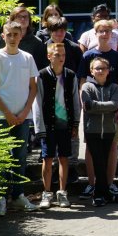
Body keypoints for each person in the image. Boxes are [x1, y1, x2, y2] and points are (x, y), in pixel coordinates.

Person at [0, 21, 40, 216]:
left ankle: (18, 196)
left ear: (21, 35)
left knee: (20, 158)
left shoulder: (27, 58)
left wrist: (24, 113)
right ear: (3, 35)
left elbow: (33, 88)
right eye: (9, 34)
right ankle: (0, 199)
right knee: (1, 159)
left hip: (22, 117)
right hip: (1, 117)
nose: (13, 38)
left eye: (16, 34)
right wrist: (8, 114)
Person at [76, 19, 118, 203]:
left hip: (112, 111)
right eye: (101, 31)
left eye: (108, 31)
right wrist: (85, 102)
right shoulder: (88, 55)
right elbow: (82, 80)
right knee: (91, 147)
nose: (105, 34)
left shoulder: (117, 57)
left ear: (112, 34)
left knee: (113, 146)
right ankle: (92, 183)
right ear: (95, 34)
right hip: (91, 112)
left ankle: (109, 182)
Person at [32, 43, 80, 209]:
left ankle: (62, 192)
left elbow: (75, 100)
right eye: (57, 55)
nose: (61, 58)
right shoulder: (42, 75)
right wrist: (39, 128)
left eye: (63, 55)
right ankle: (46, 193)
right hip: (48, 124)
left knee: (64, 157)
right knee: (47, 158)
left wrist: (75, 123)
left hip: (65, 124)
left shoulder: (71, 75)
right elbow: (37, 102)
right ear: (49, 56)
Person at [80, 57, 118, 207]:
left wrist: (95, 105)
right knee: (98, 162)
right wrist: (105, 106)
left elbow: (115, 105)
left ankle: (103, 193)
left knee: (104, 162)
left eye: (103, 68)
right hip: (92, 130)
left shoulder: (114, 87)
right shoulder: (87, 87)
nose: (100, 71)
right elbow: (86, 106)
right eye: (97, 68)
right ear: (91, 71)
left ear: (108, 70)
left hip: (109, 129)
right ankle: (99, 194)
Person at [0, 6, 48, 71]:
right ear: (12, 20)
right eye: (19, 16)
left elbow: (41, 68)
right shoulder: (0, 40)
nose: (23, 19)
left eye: (25, 17)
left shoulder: (36, 43)